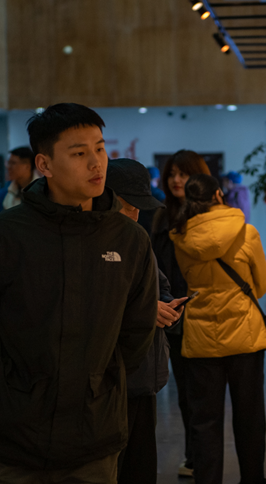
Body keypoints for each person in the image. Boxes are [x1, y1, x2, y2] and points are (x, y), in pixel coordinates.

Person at [0, 103, 158, 483]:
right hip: (7, 439)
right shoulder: (0, 237)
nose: (96, 162)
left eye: (100, 148)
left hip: (92, 436)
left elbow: (136, 331)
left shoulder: (130, 240)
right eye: (79, 153)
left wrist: (98, 381)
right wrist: (6, 386)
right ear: (45, 164)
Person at [170, 174, 266, 484]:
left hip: (201, 338)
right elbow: (262, 285)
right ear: (218, 194)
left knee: (204, 421)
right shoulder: (246, 232)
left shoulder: (181, 237)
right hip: (245, 337)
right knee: (250, 417)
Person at [105, 158, 188, 484]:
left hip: (145, 376)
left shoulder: (137, 239)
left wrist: (168, 307)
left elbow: (160, 286)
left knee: (140, 466)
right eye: (129, 206)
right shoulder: (90, 245)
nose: (136, 214)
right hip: (111, 379)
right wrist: (146, 309)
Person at [151, 149, 211, 478]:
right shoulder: (162, 216)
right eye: (172, 174)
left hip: (203, 314)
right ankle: (193, 455)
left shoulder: (208, 217)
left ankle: (202, 457)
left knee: (201, 392)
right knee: (185, 393)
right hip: (173, 314)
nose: (176, 180)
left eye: (183, 174)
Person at [0, 146, 36, 219]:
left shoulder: (42, 193)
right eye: (9, 163)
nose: (9, 167)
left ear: (27, 166)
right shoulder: (0, 198)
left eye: (13, 163)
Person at [136, 166, 166, 233]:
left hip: (139, 231)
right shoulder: (160, 195)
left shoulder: (136, 193)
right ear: (158, 179)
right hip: (154, 231)